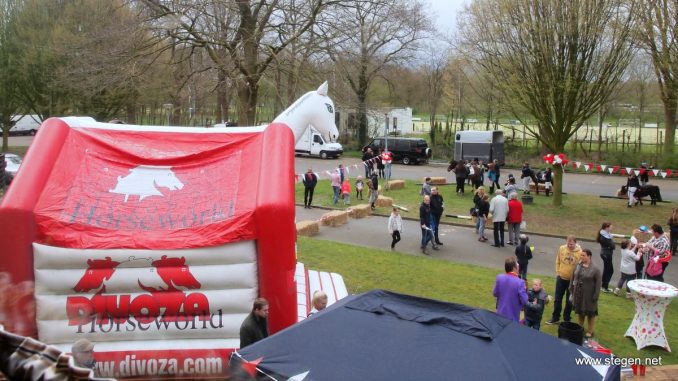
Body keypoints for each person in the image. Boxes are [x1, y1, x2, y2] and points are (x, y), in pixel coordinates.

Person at [546, 235, 582, 325]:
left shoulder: (580, 252)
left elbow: (581, 267)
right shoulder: (562, 248)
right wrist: (558, 272)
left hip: (572, 281)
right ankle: (555, 317)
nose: (570, 246)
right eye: (568, 244)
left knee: (569, 301)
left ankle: (566, 319)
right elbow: (557, 260)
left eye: (572, 244)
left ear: (575, 243)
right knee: (557, 299)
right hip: (561, 278)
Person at [570, 249, 602, 339]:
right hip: (579, 294)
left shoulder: (595, 269)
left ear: (589, 256)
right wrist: (571, 289)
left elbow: (599, 284)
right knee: (580, 312)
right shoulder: (578, 266)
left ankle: (590, 331)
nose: (581, 257)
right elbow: (573, 277)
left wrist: (596, 296)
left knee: (590, 314)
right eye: (581, 255)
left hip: (589, 295)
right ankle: (580, 328)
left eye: (583, 255)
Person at [492, 256, 528, 322]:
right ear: (514, 268)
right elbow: (524, 300)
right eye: (517, 266)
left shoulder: (499, 277)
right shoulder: (520, 282)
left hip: (500, 313)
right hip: (513, 317)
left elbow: (495, 293)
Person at [596, 222, 615, 293]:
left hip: (605, 253)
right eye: (610, 227)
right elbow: (613, 246)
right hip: (606, 254)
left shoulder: (605, 235)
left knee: (607, 270)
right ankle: (604, 287)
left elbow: (611, 246)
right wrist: (611, 241)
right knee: (610, 270)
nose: (611, 228)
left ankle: (604, 286)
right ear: (606, 227)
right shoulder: (605, 237)